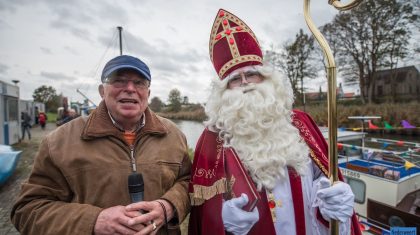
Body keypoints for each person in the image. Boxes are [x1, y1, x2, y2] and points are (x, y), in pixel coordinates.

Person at [188, 9, 362, 235]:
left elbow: (324, 178)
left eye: (251, 75)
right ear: (223, 91)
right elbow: (204, 210)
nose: (245, 83)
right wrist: (223, 220)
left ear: (267, 79)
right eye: (234, 79)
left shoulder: (300, 122)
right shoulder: (213, 138)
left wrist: (334, 199)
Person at [11, 55, 192, 235]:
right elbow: (27, 210)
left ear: (148, 93)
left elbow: (188, 182)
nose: (130, 89)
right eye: (119, 81)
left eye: (139, 83)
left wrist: (168, 206)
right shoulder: (58, 142)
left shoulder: (174, 135)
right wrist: (93, 221)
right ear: (102, 91)